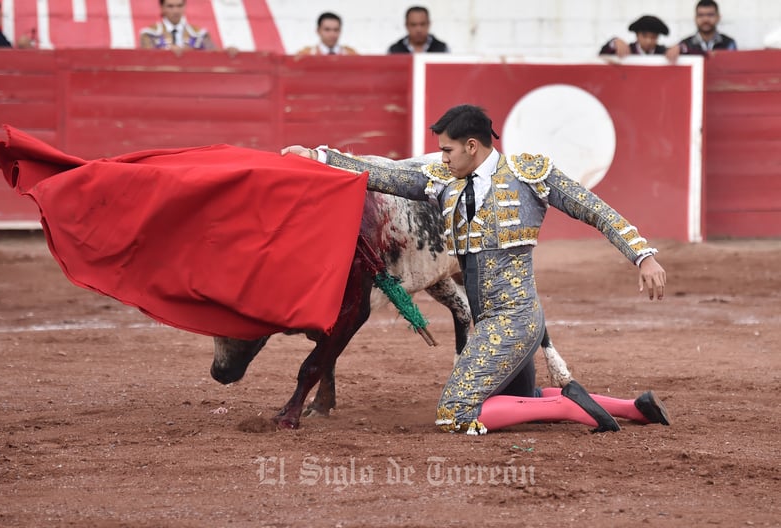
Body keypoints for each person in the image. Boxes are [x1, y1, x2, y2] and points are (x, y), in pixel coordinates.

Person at [282, 104, 670, 435]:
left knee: (456, 413)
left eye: (447, 151)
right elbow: (385, 176)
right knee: (520, 399)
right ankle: (633, 407)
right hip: (489, 321)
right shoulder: (442, 182)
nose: (442, 159)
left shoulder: (528, 174)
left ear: (472, 146)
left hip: (515, 319)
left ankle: (572, 407)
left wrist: (643, 255)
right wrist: (318, 157)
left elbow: (594, 210)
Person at [667, 0, 737, 61]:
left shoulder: (729, 43)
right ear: (695, 18)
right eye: (701, 15)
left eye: (710, 15)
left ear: (718, 17)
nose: (705, 19)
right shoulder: (685, 45)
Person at [139, 0, 215, 52]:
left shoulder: (200, 33)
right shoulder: (149, 33)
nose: (176, 11)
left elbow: (214, 54)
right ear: (162, 8)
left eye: (179, 6)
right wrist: (168, 51)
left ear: (185, 6)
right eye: (170, 6)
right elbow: (148, 58)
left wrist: (225, 53)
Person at [599, 15, 670, 57]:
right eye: (644, 36)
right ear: (637, 35)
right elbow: (601, 54)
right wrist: (615, 42)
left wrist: (677, 47)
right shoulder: (627, 50)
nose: (648, 41)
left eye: (653, 37)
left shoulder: (664, 52)